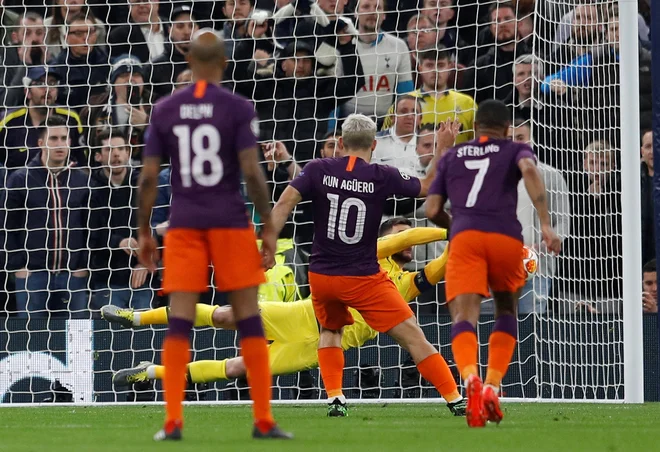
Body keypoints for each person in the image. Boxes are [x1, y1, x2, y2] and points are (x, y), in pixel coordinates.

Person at [108, 221, 466, 416]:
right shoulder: (369, 257)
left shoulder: (409, 282)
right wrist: (448, 229)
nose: (405, 239)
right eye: (398, 232)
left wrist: (463, 238)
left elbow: (441, 266)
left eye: (406, 234)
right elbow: (412, 236)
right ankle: (136, 317)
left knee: (238, 368)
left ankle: (150, 372)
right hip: (305, 315)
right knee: (226, 315)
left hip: (321, 347)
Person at [136, 29, 291, 440]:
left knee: (181, 321)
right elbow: (253, 173)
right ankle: (263, 419)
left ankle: (172, 422)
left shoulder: (165, 109)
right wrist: (268, 224)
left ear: (189, 62)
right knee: (249, 319)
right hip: (229, 222)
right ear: (223, 63)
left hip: (185, 225)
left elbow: (149, 177)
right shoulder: (237, 107)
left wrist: (145, 232)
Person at [264, 113, 460, 417]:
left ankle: (335, 397)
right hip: (362, 275)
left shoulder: (318, 169)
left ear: (340, 143)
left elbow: (285, 202)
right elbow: (427, 186)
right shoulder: (381, 175)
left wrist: (268, 244)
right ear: (375, 144)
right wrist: (443, 148)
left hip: (323, 275)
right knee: (412, 334)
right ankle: (454, 398)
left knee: (330, 330)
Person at [425, 99, 561, 427]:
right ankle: (492, 385)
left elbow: (430, 210)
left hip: (466, 237)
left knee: (464, 315)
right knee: (506, 309)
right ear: (506, 129)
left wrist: (455, 225)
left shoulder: (453, 155)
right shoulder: (514, 150)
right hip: (505, 237)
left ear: (475, 127)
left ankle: (470, 378)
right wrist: (545, 223)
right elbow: (530, 170)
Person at [5, 115, 90, 319]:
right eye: (53, 138)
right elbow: (7, 227)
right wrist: (18, 265)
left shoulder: (82, 180)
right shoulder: (20, 179)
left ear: (70, 142)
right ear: (41, 142)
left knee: (75, 340)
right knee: (32, 340)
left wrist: (83, 264)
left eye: (63, 138)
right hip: (32, 276)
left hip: (73, 275)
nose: (59, 144)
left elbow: (91, 226)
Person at [89, 129, 153, 311]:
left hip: (142, 280)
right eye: (109, 149)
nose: (116, 154)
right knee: (111, 336)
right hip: (107, 282)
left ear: (129, 153)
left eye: (121, 148)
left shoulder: (144, 186)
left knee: (144, 336)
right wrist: (119, 242)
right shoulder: (90, 190)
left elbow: (156, 227)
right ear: (98, 156)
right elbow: (89, 235)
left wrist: (145, 262)